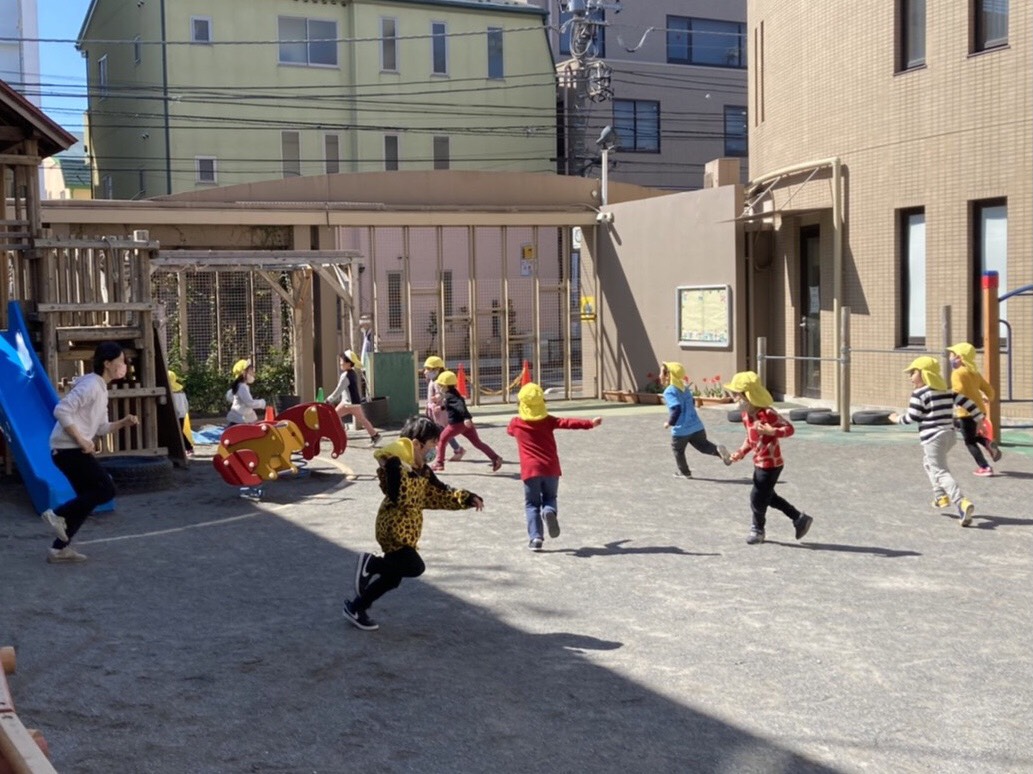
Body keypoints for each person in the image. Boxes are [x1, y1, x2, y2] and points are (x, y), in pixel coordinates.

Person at [342, 416, 484, 631]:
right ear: (416, 445)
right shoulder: (397, 467)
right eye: (432, 444)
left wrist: (466, 498)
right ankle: (371, 564)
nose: (434, 449)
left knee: (392, 578)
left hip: (406, 534)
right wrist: (393, 464)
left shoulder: (423, 471)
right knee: (415, 566)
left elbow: (440, 493)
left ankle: (356, 608)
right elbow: (397, 494)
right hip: (393, 528)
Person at [41, 342, 139, 563]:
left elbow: (101, 428)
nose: (124, 365)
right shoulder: (91, 385)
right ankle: (58, 514)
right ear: (107, 363)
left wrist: (123, 422)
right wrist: (81, 439)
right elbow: (61, 410)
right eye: (120, 361)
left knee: (87, 499)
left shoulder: (101, 388)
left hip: (69, 450)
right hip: (67, 450)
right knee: (106, 489)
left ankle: (59, 549)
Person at [889, 356, 984, 527]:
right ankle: (940, 497)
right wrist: (979, 419)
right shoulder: (947, 391)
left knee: (940, 471)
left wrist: (896, 419)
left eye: (913, 373)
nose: (910, 377)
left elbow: (912, 417)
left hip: (933, 438)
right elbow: (969, 403)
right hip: (949, 436)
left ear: (924, 374)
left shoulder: (920, 394)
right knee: (929, 463)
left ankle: (961, 502)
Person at [506, 382, 601, 550]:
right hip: (551, 468)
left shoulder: (516, 423)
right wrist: (590, 423)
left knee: (532, 504)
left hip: (530, 470)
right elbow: (567, 422)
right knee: (550, 498)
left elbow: (509, 431)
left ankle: (536, 538)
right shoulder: (548, 421)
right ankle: (548, 511)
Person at [724, 371, 813, 545]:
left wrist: (773, 431)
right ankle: (799, 518)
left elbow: (789, 429)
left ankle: (758, 530)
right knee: (768, 496)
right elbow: (750, 438)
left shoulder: (767, 413)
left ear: (748, 395)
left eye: (737, 395)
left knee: (757, 498)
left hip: (771, 464)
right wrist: (740, 452)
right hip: (759, 462)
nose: (735, 399)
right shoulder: (746, 415)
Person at [660, 362, 731, 478]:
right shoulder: (685, 388)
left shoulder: (670, 391)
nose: (659, 375)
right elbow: (692, 402)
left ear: (668, 375)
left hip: (681, 430)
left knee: (678, 450)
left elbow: (676, 408)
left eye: (661, 372)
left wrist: (669, 423)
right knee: (704, 446)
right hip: (696, 425)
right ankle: (718, 451)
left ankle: (685, 473)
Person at [947, 342, 1002, 476]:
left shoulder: (957, 373)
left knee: (969, 441)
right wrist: (988, 397)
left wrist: (950, 397)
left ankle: (985, 467)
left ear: (959, 357)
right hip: (980, 410)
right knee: (974, 434)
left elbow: (958, 389)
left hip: (966, 412)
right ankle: (988, 443)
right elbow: (989, 389)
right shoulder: (974, 373)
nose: (949, 357)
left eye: (952, 354)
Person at [431, 370, 502, 473]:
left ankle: (439, 463)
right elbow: (451, 405)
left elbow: (460, 406)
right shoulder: (453, 393)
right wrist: (441, 408)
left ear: (445, 386)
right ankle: (495, 458)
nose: (439, 387)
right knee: (477, 443)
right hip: (465, 425)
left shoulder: (450, 396)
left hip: (456, 424)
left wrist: (466, 417)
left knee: (442, 439)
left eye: (440, 385)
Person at [326, 351, 380, 445]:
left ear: (348, 363)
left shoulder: (345, 376)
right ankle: (374, 435)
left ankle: (342, 433)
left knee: (335, 415)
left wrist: (328, 399)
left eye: (342, 361)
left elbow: (338, 390)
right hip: (350, 402)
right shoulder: (352, 373)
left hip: (350, 403)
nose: (340, 363)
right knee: (338, 415)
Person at [423, 355, 465, 462]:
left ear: (437, 369)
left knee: (444, 432)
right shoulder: (432, 380)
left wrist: (437, 398)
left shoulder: (439, 382)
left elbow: (441, 393)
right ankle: (454, 449)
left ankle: (453, 450)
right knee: (443, 432)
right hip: (435, 411)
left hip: (441, 412)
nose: (425, 371)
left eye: (428, 369)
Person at [225, 359, 266, 425]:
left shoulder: (240, 385)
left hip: (240, 417)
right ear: (244, 373)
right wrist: (262, 403)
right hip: (240, 419)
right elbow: (250, 402)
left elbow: (229, 396)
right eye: (250, 370)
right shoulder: (242, 387)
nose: (252, 372)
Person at [168, 369, 193, 456]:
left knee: (177, 432)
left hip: (175, 414)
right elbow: (186, 404)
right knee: (179, 432)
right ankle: (187, 448)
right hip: (182, 414)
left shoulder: (171, 393)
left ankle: (188, 447)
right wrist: (185, 411)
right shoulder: (181, 392)